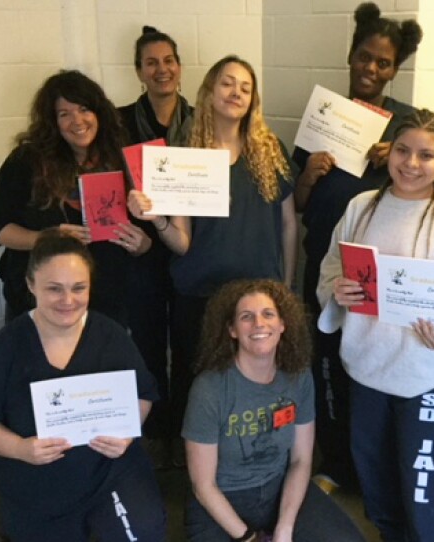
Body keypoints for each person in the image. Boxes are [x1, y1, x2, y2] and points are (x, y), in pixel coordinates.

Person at [317, 109, 434, 541]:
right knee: (375, 477)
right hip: (368, 367)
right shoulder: (361, 208)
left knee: (421, 489)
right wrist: (338, 291)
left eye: (426, 155)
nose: (411, 164)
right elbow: (332, 267)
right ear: (388, 151)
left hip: (431, 373)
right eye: (403, 150)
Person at [128, 55, 298, 466]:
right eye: (227, 83)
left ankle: (252, 467)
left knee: (256, 386)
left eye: (244, 86)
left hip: (259, 297)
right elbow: (182, 242)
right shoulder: (187, 156)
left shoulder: (270, 150)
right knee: (199, 385)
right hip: (201, 296)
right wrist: (156, 221)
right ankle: (197, 474)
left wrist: (286, 290)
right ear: (208, 91)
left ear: (252, 98)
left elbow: (289, 226)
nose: (236, 92)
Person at [0, 229, 166, 542]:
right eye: (54, 289)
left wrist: (128, 432)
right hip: (36, 476)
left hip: (109, 470)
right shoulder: (3, 348)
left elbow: (143, 394)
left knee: (142, 534)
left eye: (79, 288)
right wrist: (20, 448)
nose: (68, 301)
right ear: (30, 285)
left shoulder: (112, 335)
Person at [292, 1, 424, 494]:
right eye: (364, 57)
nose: (371, 68)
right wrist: (307, 174)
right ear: (350, 57)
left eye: (383, 62)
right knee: (325, 361)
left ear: (395, 70)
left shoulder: (411, 125)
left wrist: (401, 156)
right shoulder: (323, 117)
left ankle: (375, 474)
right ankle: (336, 466)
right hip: (326, 268)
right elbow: (300, 204)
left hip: (381, 274)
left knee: (374, 369)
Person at [182, 279, 366, 542]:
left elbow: (301, 460)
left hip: (279, 488)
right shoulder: (209, 388)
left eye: (268, 314)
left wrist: (285, 528)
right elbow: (204, 486)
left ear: (282, 324)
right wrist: (249, 538)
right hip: (223, 498)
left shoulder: (298, 375)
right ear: (232, 330)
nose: (259, 324)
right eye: (247, 317)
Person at [0, 70, 148, 324]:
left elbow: (146, 234)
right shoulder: (26, 161)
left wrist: (142, 245)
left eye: (85, 109)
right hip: (40, 301)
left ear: (99, 113)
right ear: (52, 122)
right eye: (64, 114)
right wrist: (44, 238)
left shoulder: (121, 159)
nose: (77, 120)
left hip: (107, 300)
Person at [118, 26, 194, 468]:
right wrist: (137, 235)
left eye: (168, 61)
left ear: (179, 68)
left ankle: (185, 431)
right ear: (139, 72)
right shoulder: (119, 121)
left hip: (190, 249)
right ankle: (155, 431)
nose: (161, 70)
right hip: (142, 251)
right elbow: (111, 184)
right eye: (151, 63)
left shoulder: (200, 119)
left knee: (186, 346)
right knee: (146, 344)